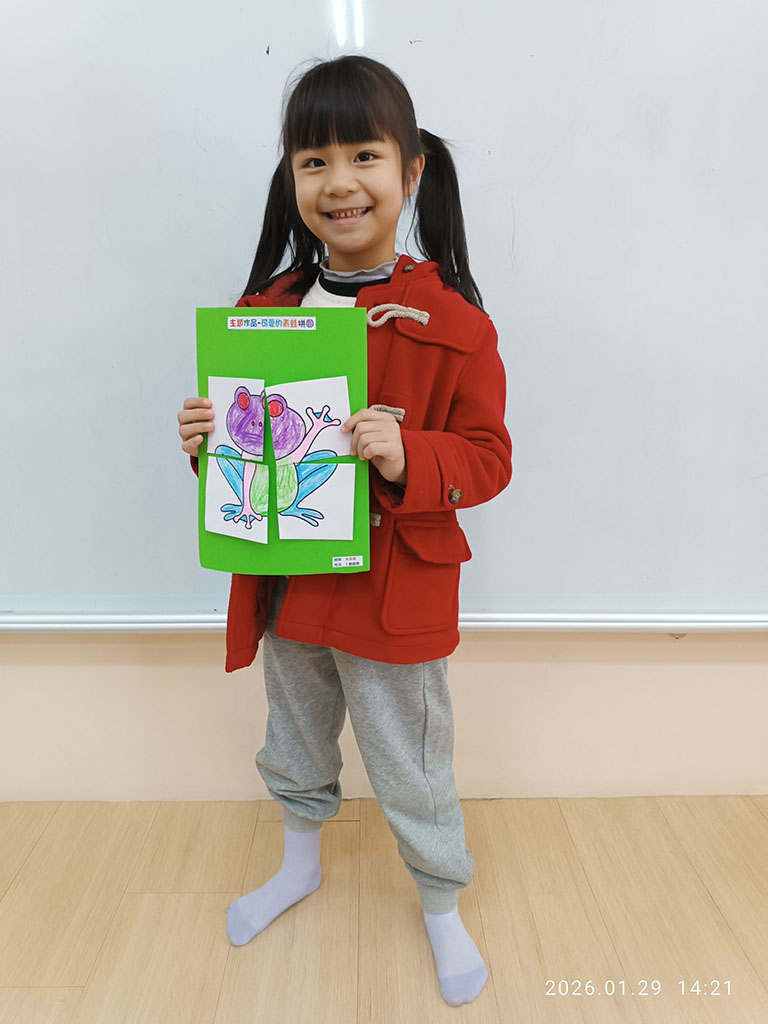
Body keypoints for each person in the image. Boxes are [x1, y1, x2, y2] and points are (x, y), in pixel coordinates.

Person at [176, 54, 512, 1008]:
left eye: (364, 155)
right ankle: (298, 865)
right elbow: (252, 460)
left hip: (392, 588)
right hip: (290, 581)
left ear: (412, 170)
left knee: (410, 757)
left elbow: (489, 458)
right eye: (313, 161)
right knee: (293, 735)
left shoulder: (454, 324)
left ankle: (441, 903)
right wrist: (208, 444)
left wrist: (410, 458)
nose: (338, 181)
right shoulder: (262, 314)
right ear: (292, 179)